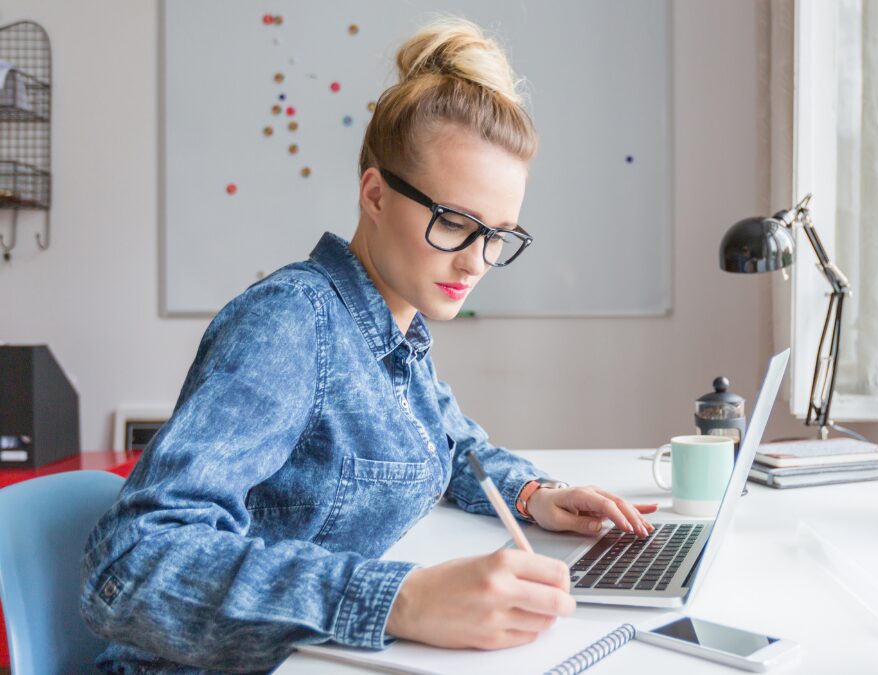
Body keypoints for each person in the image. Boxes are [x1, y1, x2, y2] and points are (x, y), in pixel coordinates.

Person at [80, 17, 656, 673]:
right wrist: (401, 599)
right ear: (376, 194)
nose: (476, 263)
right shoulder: (291, 324)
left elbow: (454, 443)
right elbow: (130, 566)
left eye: (499, 235)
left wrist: (534, 495)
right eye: (454, 223)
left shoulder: (398, 329)